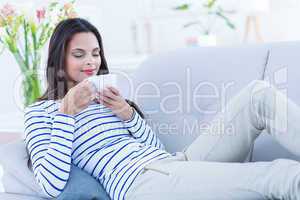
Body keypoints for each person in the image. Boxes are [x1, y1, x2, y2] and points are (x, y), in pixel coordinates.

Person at [24, 17, 300, 200]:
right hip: (141, 184)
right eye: (79, 54)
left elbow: (155, 147)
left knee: (257, 95)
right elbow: (51, 184)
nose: (91, 62)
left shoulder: (106, 97)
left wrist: (128, 116)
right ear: (59, 58)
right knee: (280, 175)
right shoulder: (41, 114)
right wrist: (67, 112)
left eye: (95, 53)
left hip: (174, 163)